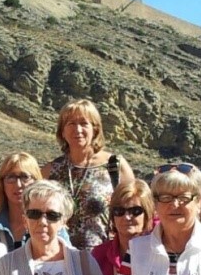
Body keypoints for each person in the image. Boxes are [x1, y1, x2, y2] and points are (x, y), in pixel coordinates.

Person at [43, 99, 134, 251]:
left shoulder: (115, 167)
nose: (77, 130)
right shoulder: (50, 170)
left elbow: (137, 211)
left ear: (95, 129)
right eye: (71, 124)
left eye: (84, 123)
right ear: (62, 131)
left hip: (103, 259)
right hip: (59, 259)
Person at [0, 152, 47, 251]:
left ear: (36, 182)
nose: (18, 185)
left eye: (25, 177)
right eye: (11, 177)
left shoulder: (50, 223)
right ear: (2, 184)